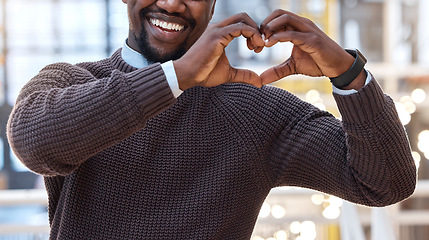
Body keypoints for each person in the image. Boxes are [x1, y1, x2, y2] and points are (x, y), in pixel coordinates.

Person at [7, 0, 416, 239]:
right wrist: (179, 76)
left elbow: (386, 182)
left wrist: (347, 73)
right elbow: (33, 141)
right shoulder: (73, 82)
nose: (171, 3)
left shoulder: (252, 111)